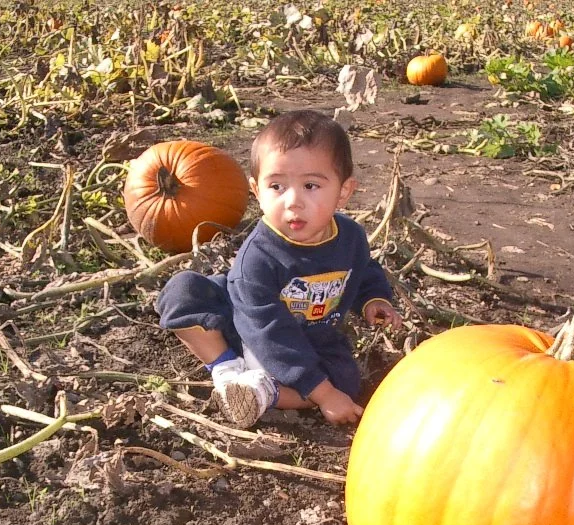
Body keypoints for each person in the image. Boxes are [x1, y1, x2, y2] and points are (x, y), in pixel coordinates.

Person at [155, 109, 402, 429]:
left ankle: (262, 393)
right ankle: (228, 371)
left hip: (312, 338)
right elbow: (269, 332)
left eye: (311, 186)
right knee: (183, 292)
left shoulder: (350, 237)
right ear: (256, 191)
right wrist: (324, 395)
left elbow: (362, 269)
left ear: (343, 191)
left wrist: (373, 299)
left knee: (346, 381)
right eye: (277, 186)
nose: (292, 201)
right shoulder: (257, 260)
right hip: (242, 328)